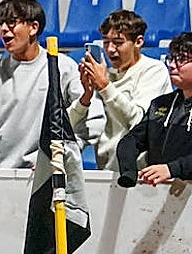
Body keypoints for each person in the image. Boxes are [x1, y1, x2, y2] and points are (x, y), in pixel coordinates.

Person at [0, 0, 103, 169]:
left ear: (33, 27)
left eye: (11, 22)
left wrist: (61, 154)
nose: (3, 29)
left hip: (49, 177)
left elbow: (94, 119)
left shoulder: (62, 67)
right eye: (0, 24)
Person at [71, 10, 172, 171]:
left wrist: (105, 87)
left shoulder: (154, 71)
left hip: (143, 175)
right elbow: (76, 127)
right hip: (106, 172)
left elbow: (138, 123)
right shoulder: (104, 77)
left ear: (138, 42)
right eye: (105, 42)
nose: (110, 49)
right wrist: (86, 97)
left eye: (118, 42)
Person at [116, 32, 192, 187]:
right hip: (159, 195)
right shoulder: (160, 104)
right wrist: (129, 171)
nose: (171, 65)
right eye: (172, 58)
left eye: (182, 59)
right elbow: (131, 141)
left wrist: (172, 169)